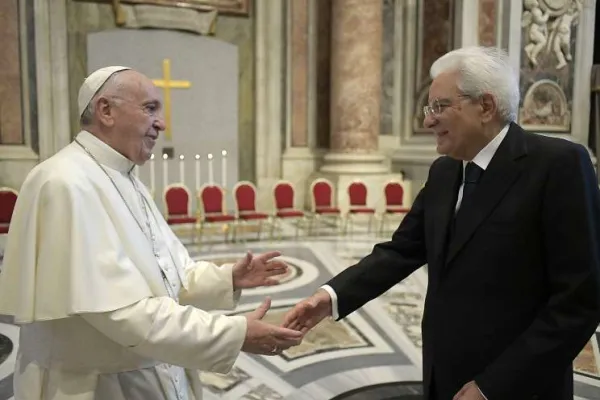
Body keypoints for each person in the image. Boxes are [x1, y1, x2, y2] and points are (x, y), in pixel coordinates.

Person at [283, 46, 600, 400]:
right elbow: (401, 251)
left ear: (485, 106)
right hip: (444, 374)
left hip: (518, 385)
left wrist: (492, 386)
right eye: (428, 108)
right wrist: (330, 297)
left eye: (439, 107)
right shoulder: (445, 170)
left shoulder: (558, 166)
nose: (427, 121)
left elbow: (579, 303)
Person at [0, 66, 304, 400]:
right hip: (96, 387)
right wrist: (235, 333)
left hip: (149, 373)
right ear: (105, 111)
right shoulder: (64, 182)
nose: (161, 122)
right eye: (150, 108)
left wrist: (227, 278)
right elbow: (123, 312)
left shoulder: (125, 176)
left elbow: (168, 272)